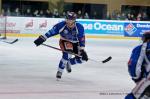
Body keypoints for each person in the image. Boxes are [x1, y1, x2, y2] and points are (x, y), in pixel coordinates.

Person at [34, 12, 88, 79]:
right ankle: (60, 71)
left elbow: (82, 38)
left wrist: (82, 49)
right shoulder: (61, 25)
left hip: (75, 43)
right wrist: (43, 38)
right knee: (67, 55)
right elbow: (51, 32)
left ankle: (69, 62)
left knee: (83, 59)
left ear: (74, 20)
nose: (68, 20)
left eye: (70, 19)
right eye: (67, 19)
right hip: (65, 41)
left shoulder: (79, 27)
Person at [125, 31, 150, 99]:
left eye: (144, 37)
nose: (142, 39)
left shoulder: (142, 47)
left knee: (132, 97)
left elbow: (134, 65)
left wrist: (137, 78)